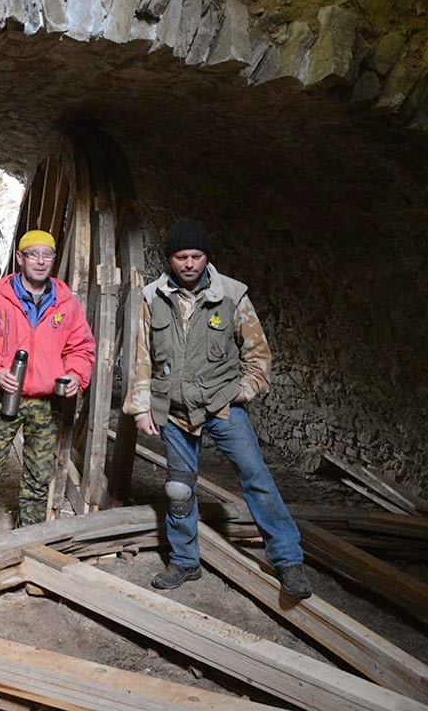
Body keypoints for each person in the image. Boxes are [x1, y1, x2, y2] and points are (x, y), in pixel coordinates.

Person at [123, 219, 312, 597]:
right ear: (169, 259)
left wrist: (244, 390)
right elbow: (141, 357)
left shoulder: (232, 296)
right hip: (175, 411)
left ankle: (288, 561)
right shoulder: (152, 298)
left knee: (256, 478)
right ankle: (184, 561)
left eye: (196, 256)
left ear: (206, 257)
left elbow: (258, 354)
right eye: (181, 257)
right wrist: (141, 408)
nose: (189, 264)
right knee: (179, 489)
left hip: (223, 407)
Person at [0, 230, 96, 546]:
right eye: (34, 254)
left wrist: (76, 375)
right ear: (20, 258)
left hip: (47, 402)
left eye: (47, 255)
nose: (41, 261)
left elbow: (81, 348)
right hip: (3, 397)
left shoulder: (66, 304)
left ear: (53, 260)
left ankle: (29, 540)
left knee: (38, 476)